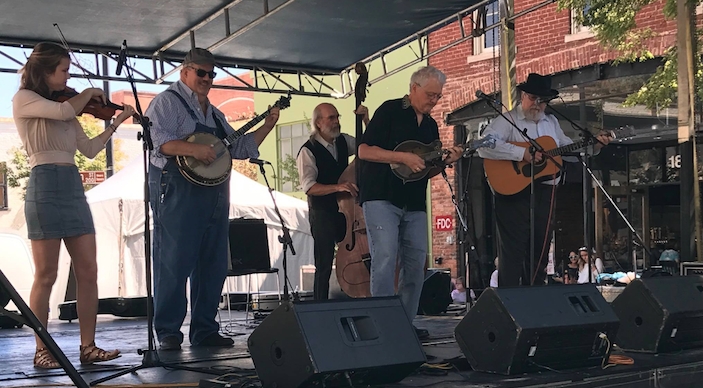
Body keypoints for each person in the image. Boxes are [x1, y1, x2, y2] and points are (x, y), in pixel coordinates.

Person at [146, 48, 279, 350]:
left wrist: (269, 124)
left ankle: (204, 329)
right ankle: (168, 331)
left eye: (211, 74)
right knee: (174, 261)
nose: (207, 78)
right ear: (185, 72)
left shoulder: (216, 115)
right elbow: (158, 141)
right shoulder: (168, 101)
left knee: (213, 263)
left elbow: (241, 148)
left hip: (215, 192)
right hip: (177, 190)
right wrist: (193, 150)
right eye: (200, 72)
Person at [13, 42, 133, 368]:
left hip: (71, 187)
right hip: (44, 188)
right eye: (63, 71)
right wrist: (90, 91)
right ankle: (42, 350)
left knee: (88, 270)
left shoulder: (66, 105)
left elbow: (90, 149)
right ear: (44, 71)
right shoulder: (25, 99)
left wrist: (115, 123)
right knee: (46, 275)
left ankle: (88, 346)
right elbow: (65, 111)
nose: (68, 78)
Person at [357, 66, 462, 338]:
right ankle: (380, 325)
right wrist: (401, 157)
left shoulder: (430, 125)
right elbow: (364, 150)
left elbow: (429, 170)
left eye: (438, 97)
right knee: (385, 258)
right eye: (430, 94)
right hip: (381, 196)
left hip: (414, 202)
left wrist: (446, 161)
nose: (434, 101)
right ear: (413, 88)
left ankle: (403, 325)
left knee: (416, 264)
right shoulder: (389, 110)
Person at [477, 73, 610, 287]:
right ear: (522, 95)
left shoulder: (551, 122)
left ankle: (536, 297)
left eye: (542, 100)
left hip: (546, 191)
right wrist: (521, 154)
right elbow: (484, 145)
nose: (536, 104)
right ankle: (509, 300)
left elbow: (566, 149)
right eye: (532, 98)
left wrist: (594, 146)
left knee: (540, 248)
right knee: (513, 249)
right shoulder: (507, 120)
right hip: (513, 192)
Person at [296, 103, 369, 300]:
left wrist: (365, 120)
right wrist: (338, 187)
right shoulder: (308, 150)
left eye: (337, 117)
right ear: (318, 122)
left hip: (348, 212)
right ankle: (320, 305)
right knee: (324, 263)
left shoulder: (343, 141)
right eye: (331, 118)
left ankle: (363, 295)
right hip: (323, 213)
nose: (336, 121)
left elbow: (368, 147)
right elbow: (309, 187)